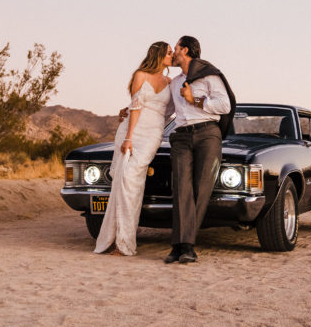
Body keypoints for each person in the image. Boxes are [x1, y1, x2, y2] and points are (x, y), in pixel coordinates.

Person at [94, 41, 175, 256]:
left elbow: (170, 112)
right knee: (123, 182)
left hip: (153, 133)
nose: (172, 55)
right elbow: (136, 106)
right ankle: (116, 241)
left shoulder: (170, 82)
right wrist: (128, 137)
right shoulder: (141, 74)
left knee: (132, 180)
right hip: (132, 131)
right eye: (168, 52)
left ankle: (124, 241)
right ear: (158, 54)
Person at [163, 35, 236, 264]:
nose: (173, 52)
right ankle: (179, 246)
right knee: (181, 189)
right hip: (181, 137)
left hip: (207, 135)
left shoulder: (209, 76)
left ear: (185, 50)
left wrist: (195, 100)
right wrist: (133, 110)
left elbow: (225, 105)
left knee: (201, 189)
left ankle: (187, 246)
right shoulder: (175, 83)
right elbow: (164, 111)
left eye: (175, 48)